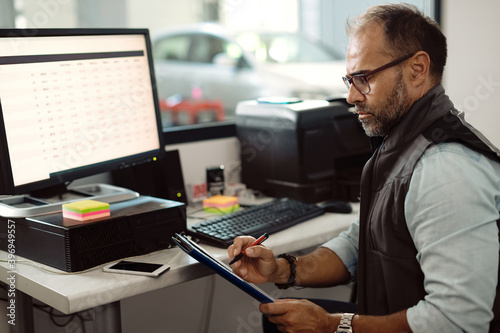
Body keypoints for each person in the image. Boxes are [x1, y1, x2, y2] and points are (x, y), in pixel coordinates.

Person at [228, 3, 500, 333]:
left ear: (417, 69)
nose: (350, 96)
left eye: (363, 78)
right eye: (349, 79)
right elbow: (360, 245)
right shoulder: (400, 143)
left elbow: (457, 322)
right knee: (277, 320)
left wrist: (334, 326)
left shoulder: (447, 169)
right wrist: (283, 269)